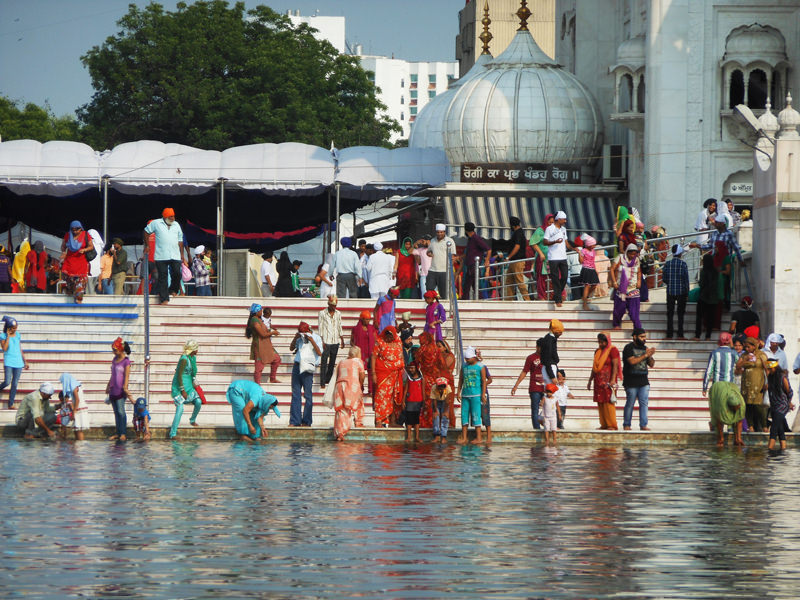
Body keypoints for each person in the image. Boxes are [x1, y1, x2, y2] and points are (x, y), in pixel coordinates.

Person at [143, 208, 188, 305]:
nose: (173, 218)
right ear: (165, 216)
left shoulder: (176, 225)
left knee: (177, 273)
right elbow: (146, 231)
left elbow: (180, 241)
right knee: (163, 277)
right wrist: (147, 245)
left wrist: (182, 255)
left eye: (173, 216)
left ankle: (173, 289)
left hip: (175, 255)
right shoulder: (156, 223)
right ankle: (164, 299)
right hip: (161, 255)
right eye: (170, 216)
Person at [288, 321, 322, 426]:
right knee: (295, 394)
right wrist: (296, 337)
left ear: (308, 330)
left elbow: (320, 352)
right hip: (297, 366)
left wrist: (311, 340)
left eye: (304, 333)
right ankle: (295, 421)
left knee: (308, 395)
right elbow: (291, 348)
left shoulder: (316, 338)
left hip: (308, 367)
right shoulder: (299, 337)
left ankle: (307, 421)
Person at [167, 339, 202, 439]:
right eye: (196, 349)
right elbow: (179, 375)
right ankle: (173, 434)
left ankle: (192, 420)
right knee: (180, 408)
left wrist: (195, 383)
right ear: (192, 349)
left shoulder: (192, 358)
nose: (197, 351)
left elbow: (192, 373)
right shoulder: (184, 359)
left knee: (198, 402)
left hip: (189, 386)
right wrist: (182, 390)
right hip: (179, 387)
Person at [370, 326, 404, 428]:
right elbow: (374, 357)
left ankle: (393, 421)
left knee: (394, 397)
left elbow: (401, 355)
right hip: (383, 373)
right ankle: (379, 421)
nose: (389, 340)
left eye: (391, 337)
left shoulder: (398, 341)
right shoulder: (379, 342)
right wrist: (373, 373)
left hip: (395, 374)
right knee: (381, 396)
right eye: (387, 337)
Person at [622, 328, 655, 431]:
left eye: (645, 337)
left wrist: (649, 356)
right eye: (641, 337)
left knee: (644, 403)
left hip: (643, 380)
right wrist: (645, 355)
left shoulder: (645, 348)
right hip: (631, 380)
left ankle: (643, 425)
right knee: (630, 403)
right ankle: (627, 424)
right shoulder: (628, 348)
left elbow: (652, 364)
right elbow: (632, 361)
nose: (644, 339)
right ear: (635, 337)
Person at [735, 336, 769, 432]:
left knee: (758, 405)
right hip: (746, 383)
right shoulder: (744, 355)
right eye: (745, 347)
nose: (747, 349)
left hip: (758, 382)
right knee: (747, 404)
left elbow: (767, 369)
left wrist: (768, 382)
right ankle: (750, 426)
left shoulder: (761, 355)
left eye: (748, 347)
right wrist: (745, 359)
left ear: (754, 346)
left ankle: (764, 426)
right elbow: (738, 366)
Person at [332, 346, 366, 441]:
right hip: (352, 386)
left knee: (341, 409)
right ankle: (358, 423)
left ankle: (340, 433)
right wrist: (360, 385)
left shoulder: (341, 362)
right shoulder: (358, 361)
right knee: (358, 403)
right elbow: (362, 376)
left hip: (339, 386)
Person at [587, 333, 620, 430]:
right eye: (599, 342)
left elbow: (615, 365)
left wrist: (613, 379)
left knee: (608, 402)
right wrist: (590, 380)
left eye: (602, 342)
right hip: (598, 381)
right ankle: (604, 424)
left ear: (607, 341)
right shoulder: (597, 351)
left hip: (609, 380)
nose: (600, 344)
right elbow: (594, 367)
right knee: (600, 402)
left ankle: (612, 425)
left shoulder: (613, 350)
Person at [511, 338, 545, 430]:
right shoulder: (531, 358)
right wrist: (516, 385)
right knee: (535, 409)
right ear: (537, 347)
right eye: (541, 347)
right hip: (535, 388)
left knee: (549, 407)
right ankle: (537, 429)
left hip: (546, 388)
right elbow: (524, 372)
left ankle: (548, 426)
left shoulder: (548, 357)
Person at [60, 220, 94, 303]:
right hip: (69, 261)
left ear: (80, 229)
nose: (75, 232)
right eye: (73, 230)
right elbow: (63, 247)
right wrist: (63, 252)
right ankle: (70, 292)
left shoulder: (86, 235)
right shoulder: (68, 235)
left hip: (81, 262)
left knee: (80, 280)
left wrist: (84, 250)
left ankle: (79, 299)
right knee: (68, 279)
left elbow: (91, 247)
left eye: (77, 230)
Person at [610, 244, 643, 330]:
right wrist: (614, 282)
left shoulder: (636, 260)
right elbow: (612, 269)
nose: (632, 256)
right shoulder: (620, 258)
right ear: (627, 252)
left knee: (634, 311)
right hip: (621, 289)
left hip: (633, 289)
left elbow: (639, 271)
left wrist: (639, 281)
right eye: (631, 254)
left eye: (634, 254)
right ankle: (616, 324)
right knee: (619, 309)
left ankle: (637, 328)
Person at [246, 304, 281, 384]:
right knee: (259, 367)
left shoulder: (258, 319)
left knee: (277, 359)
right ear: (257, 311)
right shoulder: (255, 321)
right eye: (260, 310)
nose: (262, 312)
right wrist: (273, 333)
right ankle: (257, 384)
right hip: (259, 345)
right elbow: (262, 334)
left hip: (266, 344)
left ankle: (272, 378)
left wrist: (271, 331)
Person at [456, 346, 485, 444]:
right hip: (465, 395)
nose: (467, 360)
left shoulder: (480, 367)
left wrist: (483, 394)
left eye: (468, 359)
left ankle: (479, 437)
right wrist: (458, 391)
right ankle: (464, 437)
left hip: (476, 395)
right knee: (464, 416)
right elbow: (461, 379)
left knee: (476, 416)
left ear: (474, 357)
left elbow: (484, 382)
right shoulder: (464, 366)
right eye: (466, 359)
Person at [106, 337, 132, 441]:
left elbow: (126, 376)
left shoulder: (126, 362)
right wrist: (108, 385)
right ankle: (118, 432)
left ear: (121, 349)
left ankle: (123, 433)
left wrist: (125, 387)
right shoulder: (114, 360)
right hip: (113, 389)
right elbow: (112, 374)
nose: (113, 352)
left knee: (121, 411)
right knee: (116, 412)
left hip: (121, 390)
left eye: (115, 350)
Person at [661, 244, 689, 339]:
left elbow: (664, 278)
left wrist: (670, 282)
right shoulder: (683, 264)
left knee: (670, 313)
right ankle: (680, 334)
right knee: (680, 314)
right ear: (680, 254)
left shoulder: (667, 264)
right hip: (681, 292)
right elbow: (686, 280)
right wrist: (687, 292)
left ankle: (669, 334)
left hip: (670, 292)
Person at [1, 316, 29, 410]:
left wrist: (25, 360)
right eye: (13, 328)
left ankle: (11, 403)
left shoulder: (17, 335)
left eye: (16, 328)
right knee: (7, 381)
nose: (15, 329)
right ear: (8, 327)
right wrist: (8, 336)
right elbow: (4, 348)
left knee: (15, 383)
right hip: (9, 361)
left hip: (18, 362)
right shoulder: (3, 335)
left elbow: (19, 348)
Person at [543, 211, 571, 306]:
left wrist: (573, 248)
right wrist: (554, 241)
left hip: (563, 257)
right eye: (564, 219)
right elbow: (545, 242)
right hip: (553, 258)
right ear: (558, 219)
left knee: (564, 276)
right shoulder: (549, 229)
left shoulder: (563, 229)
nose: (565, 221)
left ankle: (556, 295)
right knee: (555, 278)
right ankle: (558, 300)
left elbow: (566, 242)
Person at [416, 331, 443, 428]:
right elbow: (441, 363)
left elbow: (416, 361)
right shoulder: (437, 349)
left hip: (425, 378)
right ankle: (435, 423)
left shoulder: (421, 350)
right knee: (434, 401)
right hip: (435, 378)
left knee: (426, 401)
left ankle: (425, 423)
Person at [766, 360, 794, 451]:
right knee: (780, 429)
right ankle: (783, 449)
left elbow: (789, 392)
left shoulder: (782, 378)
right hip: (774, 405)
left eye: (770, 369)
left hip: (782, 406)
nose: (769, 371)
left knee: (773, 429)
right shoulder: (770, 377)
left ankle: (770, 450)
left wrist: (789, 402)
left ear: (775, 368)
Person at [318, 295, 345, 388]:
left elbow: (339, 326)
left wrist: (342, 338)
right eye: (332, 305)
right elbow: (320, 327)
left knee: (332, 362)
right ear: (328, 304)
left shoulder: (338, 313)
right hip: (326, 340)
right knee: (324, 361)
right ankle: (322, 381)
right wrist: (321, 340)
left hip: (335, 340)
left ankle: (328, 379)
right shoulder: (322, 313)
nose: (334, 307)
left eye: (335, 305)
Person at [708, 381, 745, 447]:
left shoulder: (742, 405)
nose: (736, 410)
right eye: (734, 408)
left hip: (731, 386)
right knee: (717, 416)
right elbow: (719, 421)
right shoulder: (722, 406)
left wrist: (738, 438)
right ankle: (719, 436)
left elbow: (739, 421)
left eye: (737, 408)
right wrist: (721, 439)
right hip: (717, 390)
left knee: (738, 417)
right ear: (730, 406)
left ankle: (737, 439)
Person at [702, 332, 739, 397]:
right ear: (729, 341)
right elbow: (740, 365)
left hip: (717, 385)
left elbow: (708, 372)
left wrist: (705, 388)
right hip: (730, 384)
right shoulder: (734, 353)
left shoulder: (714, 353)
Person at [461, 222, 491, 301]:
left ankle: (465, 300)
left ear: (466, 230)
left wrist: (486, 261)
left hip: (474, 266)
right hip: (470, 266)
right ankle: (478, 299)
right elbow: (468, 253)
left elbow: (488, 249)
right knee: (474, 285)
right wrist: (458, 257)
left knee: (468, 285)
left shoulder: (476, 238)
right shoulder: (471, 239)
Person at [693, 253, 719, 341]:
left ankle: (697, 335)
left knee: (699, 317)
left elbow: (701, 284)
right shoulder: (716, 272)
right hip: (713, 298)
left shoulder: (703, 271)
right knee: (710, 318)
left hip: (703, 297)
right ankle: (708, 336)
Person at [504, 216, 530, 301]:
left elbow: (517, 246)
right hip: (513, 261)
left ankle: (527, 299)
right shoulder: (517, 233)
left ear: (513, 225)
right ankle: (509, 300)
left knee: (519, 281)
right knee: (509, 281)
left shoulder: (518, 233)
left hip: (518, 260)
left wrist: (508, 257)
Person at [58, 373, 90, 440]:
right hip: (78, 408)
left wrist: (74, 412)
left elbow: (77, 400)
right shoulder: (75, 386)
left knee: (78, 430)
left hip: (79, 409)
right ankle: (78, 447)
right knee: (76, 430)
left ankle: (81, 446)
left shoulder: (74, 387)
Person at [426, 224, 454, 299]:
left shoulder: (450, 241)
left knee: (444, 293)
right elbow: (428, 251)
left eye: (441, 232)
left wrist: (451, 271)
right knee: (429, 289)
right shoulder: (432, 240)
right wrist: (429, 254)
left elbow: (453, 256)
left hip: (444, 270)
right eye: (438, 232)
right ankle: (431, 307)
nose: (439, 234)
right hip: (432, 269)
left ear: (444, 232)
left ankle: (443, 308)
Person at [530, 214, 553, 300]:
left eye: (552, 222)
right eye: (549, 222)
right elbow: (532, 242)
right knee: (541, 279)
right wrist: (540, 253)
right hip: (542, 259)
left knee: (554, 277)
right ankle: (542, 297)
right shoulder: (540, 231)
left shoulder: (554, 231)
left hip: (552, 258)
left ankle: (552, 296)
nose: (551, 224)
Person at [402, 362, 424, 443]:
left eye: (413, 368)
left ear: (416, 369)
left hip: (418, 401)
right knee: (409, 420)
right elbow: (405, 390)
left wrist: (424, 401)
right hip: (410, 401)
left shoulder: (421, 379)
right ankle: (409, 437)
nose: (411, 370)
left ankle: (417, 437)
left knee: (416, 421)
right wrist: (403, 401)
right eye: (410, 368)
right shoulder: (409, 379)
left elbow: (423, 390)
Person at [576, 234, 599, 310]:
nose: (594, 246)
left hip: (592, 269)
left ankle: (585, 297)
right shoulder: (584, 251)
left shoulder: (593, 251)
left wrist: (595, 270)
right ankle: (584, 304)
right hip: (586, 269)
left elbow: (593, 261)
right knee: (587, 286)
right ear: (588, 245)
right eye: (593, 245)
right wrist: (579, 254)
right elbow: (581, 261)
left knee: (595, 285)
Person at [540, 319, 563, 385]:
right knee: (551, 391)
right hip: (549, 368)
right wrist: (552, 376)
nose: (561, 334)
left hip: (550, 368)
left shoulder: (550, 339)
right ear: (555, 331)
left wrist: (557, 370)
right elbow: (547, 359)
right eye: (560, 332)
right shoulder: (549, 340)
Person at [430, 377, 452, 444]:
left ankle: (443, 436)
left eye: (443, 386)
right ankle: (436, 435)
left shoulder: (448, 388)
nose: (441, 388)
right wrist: (435, 411)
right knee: (435, 417)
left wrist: (445, 412)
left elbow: (447, 401)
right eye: (440, 386)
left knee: (445, 418)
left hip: (444, 403)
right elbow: (434, 401)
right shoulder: (434, 388)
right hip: (437, 402)